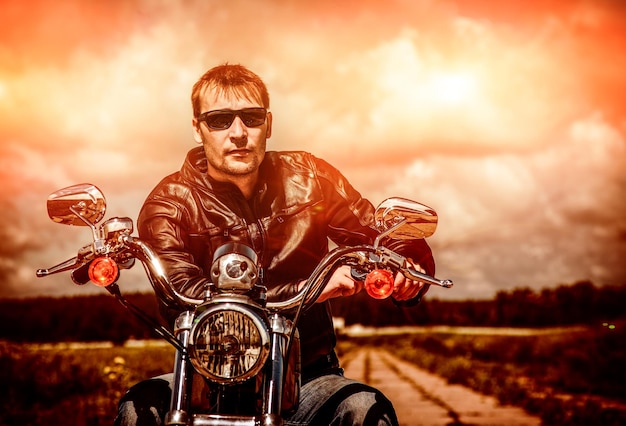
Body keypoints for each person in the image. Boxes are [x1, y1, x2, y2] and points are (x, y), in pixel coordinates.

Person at [115, 63, 435, 425]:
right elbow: (181, 294)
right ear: (197, 127)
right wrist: (311, 290)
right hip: (207, 378)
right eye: (220, 120)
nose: (238, 133)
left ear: (268, 123)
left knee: (364, 410)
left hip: (306, 376)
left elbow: (373, 232)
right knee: (138, 410)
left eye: (250, 117)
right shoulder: (168, 203)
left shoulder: (311, 178)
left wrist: (407, 265)